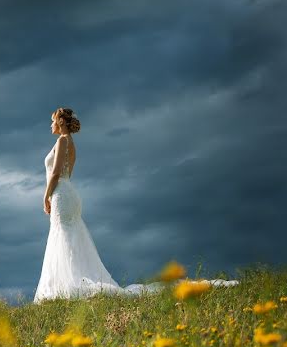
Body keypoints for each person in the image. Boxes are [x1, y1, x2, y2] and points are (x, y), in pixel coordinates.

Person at [33, 107, 238, 302]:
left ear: (60, 122)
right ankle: (69, 281)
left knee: (64, 236)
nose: (50, 125)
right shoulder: (72, 144)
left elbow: (56, 173)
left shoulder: (62, 141)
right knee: (69, 236)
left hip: (61, 193)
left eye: (52, 121)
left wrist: (45, 196)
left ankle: (68, 283)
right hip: (69, 193)